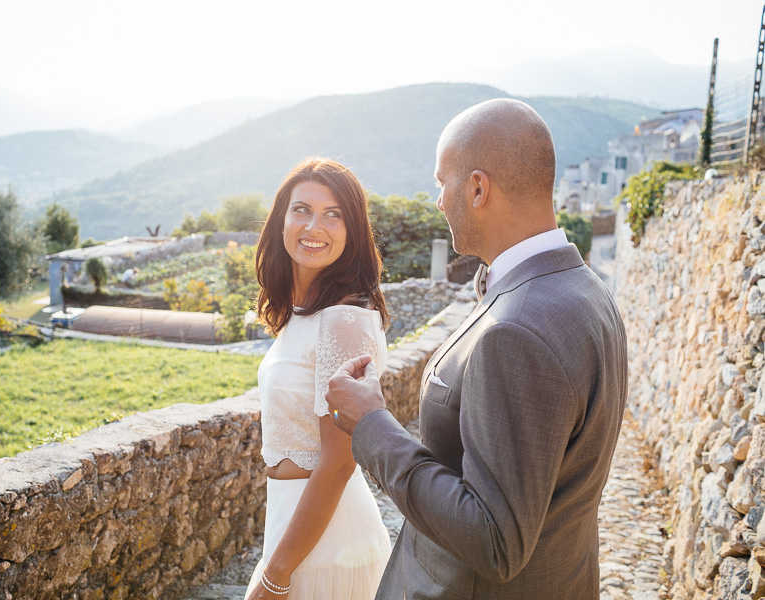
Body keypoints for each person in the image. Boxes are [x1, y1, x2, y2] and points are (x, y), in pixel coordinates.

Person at [326, 99, 628, 599]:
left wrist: (372, 426)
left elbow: (495, 541)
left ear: (478, 187)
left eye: (442, 182)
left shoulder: (517, 331)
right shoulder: (583, 289)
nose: (438, 200)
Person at [245, 157, 392, 599]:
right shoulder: (305, 313)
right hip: (295, 524)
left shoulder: (344, 320)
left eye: (334, 214)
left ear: (353, 232)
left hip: (331, 544)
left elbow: (341, 460)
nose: (314, 226)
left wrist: (276, 576)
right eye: (302, 209)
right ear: (281, 220)